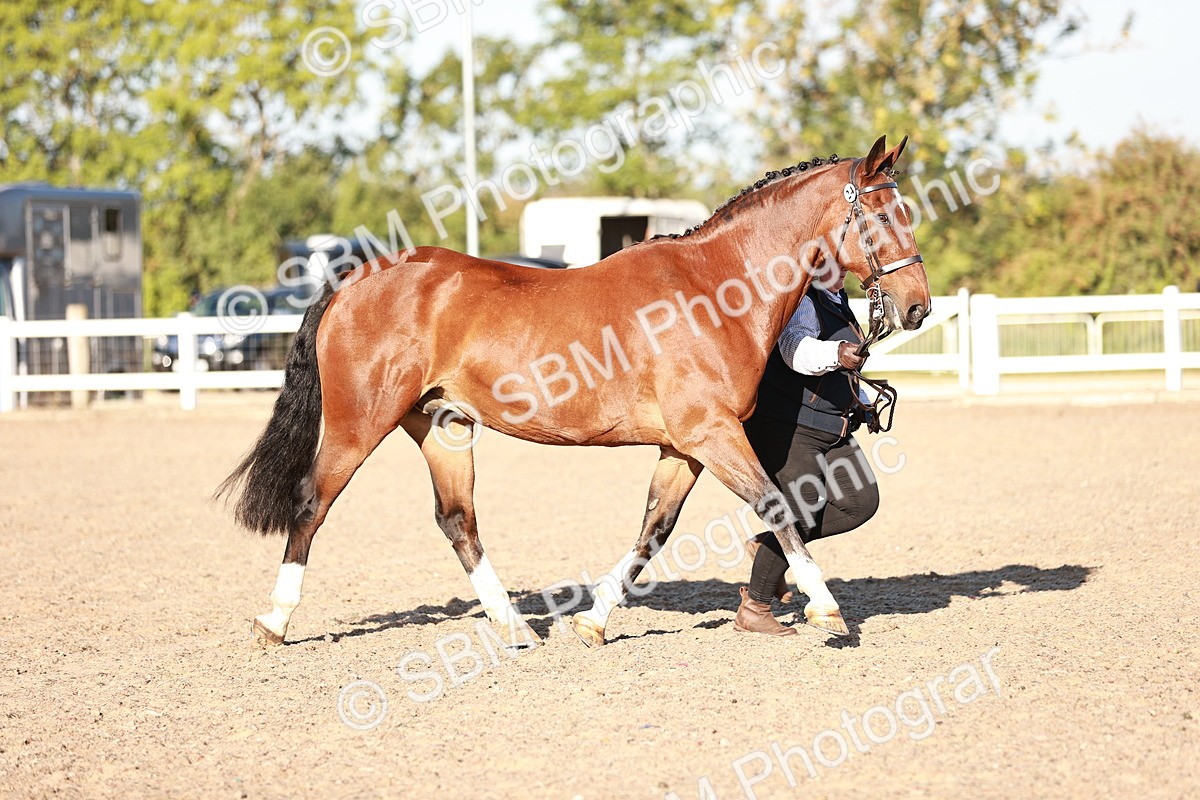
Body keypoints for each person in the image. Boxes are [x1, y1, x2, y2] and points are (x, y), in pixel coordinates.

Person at [734, 264, 880, 636]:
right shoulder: (801, 298)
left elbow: (845, 372)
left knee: (861, 503)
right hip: (793, 425)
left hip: (835, 425)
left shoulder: (837, 300)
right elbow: (794, 350)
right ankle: (755, 608)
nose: (846, 267)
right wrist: (838, 352)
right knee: (801, 509)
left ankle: (768, 544)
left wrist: (862, 401)